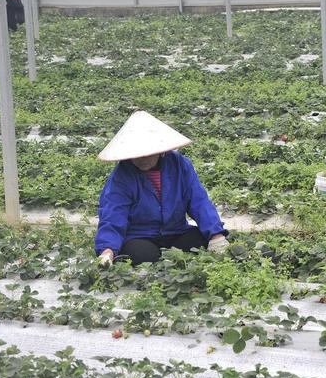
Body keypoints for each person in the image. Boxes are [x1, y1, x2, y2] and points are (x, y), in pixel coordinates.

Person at [95, 111, 229, 267]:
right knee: (142, 255)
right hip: (140, 236)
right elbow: (113, 214)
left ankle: (172, 254)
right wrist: (107, 251)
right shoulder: (122, 176)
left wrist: (216, 235)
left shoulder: (180, 165)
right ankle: (157, 257)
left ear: (161, 150)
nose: (141, 158)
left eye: (147, 153)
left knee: (199, 240)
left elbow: (199, 201)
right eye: (136, 154)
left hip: (176, 232)